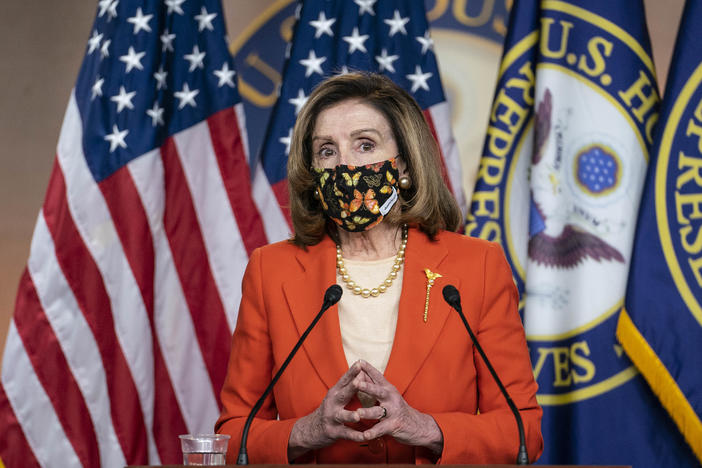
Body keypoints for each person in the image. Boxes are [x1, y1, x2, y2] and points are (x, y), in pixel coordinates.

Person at [216, 72, 543, 464]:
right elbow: (233, 435)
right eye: (326, 151)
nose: (345, 165)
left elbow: (522, 433)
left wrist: (426, 428)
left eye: (365, 144)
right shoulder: (272, 270)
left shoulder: (477, 267)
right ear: (314, 174)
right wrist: (306, 431)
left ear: (403, 165)